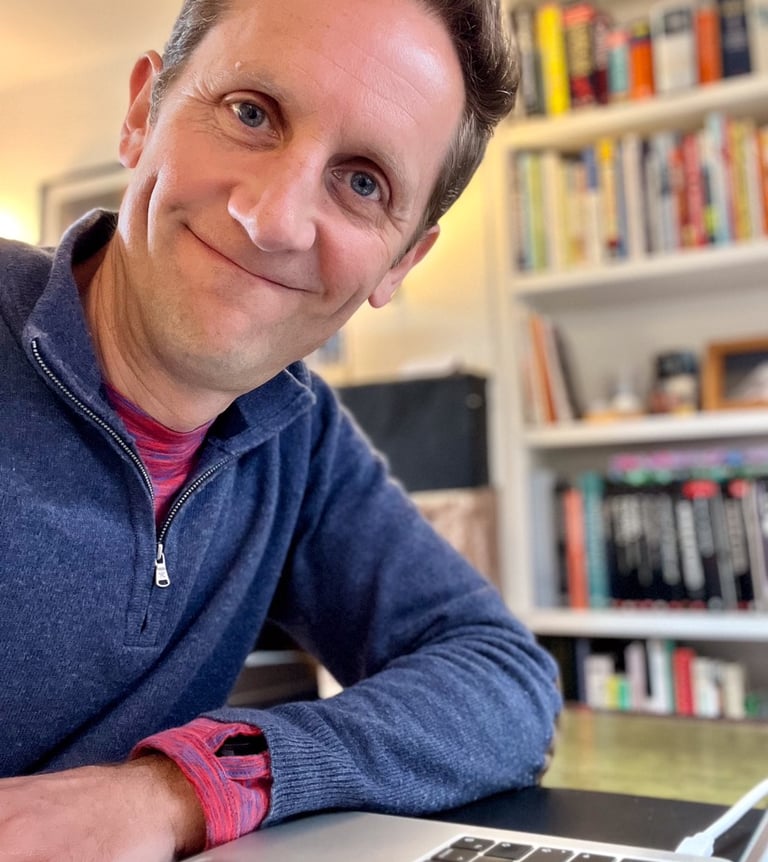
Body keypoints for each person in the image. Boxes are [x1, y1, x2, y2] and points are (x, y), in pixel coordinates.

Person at [0, 0, 561, 858]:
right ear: (142, 113)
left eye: (363, 181)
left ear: (401, 261)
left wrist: (191, 787)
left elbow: (502, 676)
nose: (273, 218)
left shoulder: (296, 433)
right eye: (251, 113)